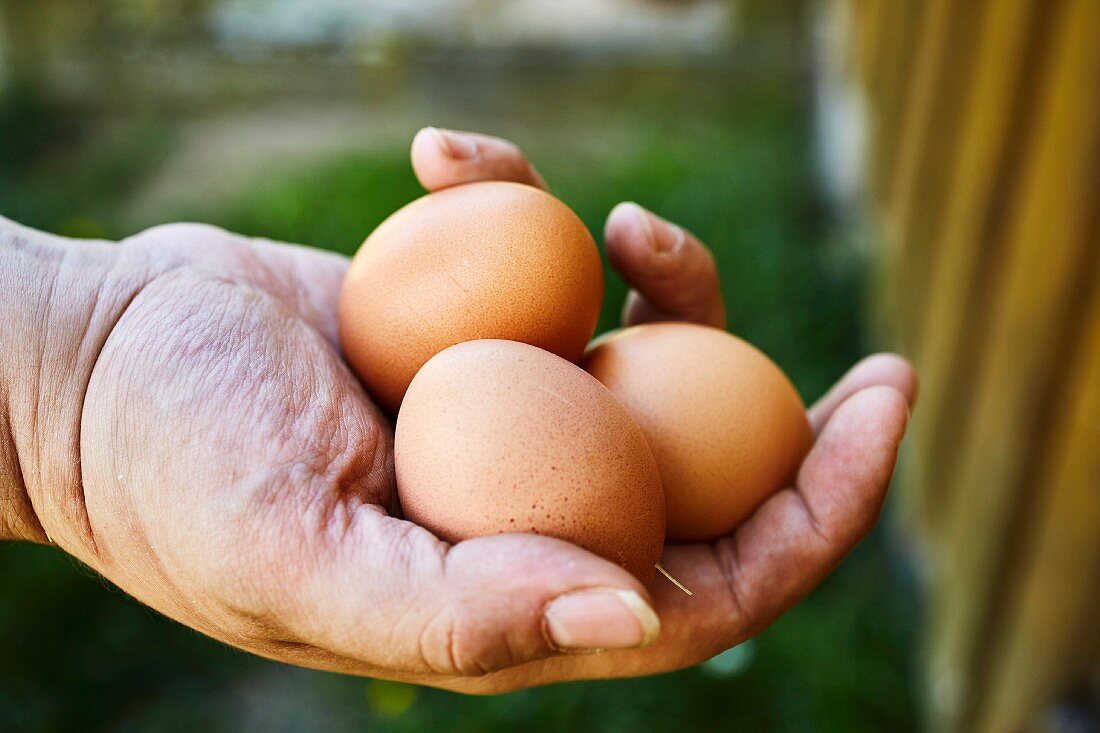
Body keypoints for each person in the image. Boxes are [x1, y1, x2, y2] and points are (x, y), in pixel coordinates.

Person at [0, 128, 916, 693]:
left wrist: (80, 364)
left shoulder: (461, 387)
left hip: (521, 416)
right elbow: (495, 374)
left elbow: (512, 357)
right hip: (507, 417)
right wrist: (78, 377)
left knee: (540, 253)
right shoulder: (446, 389)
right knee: (537, 254)